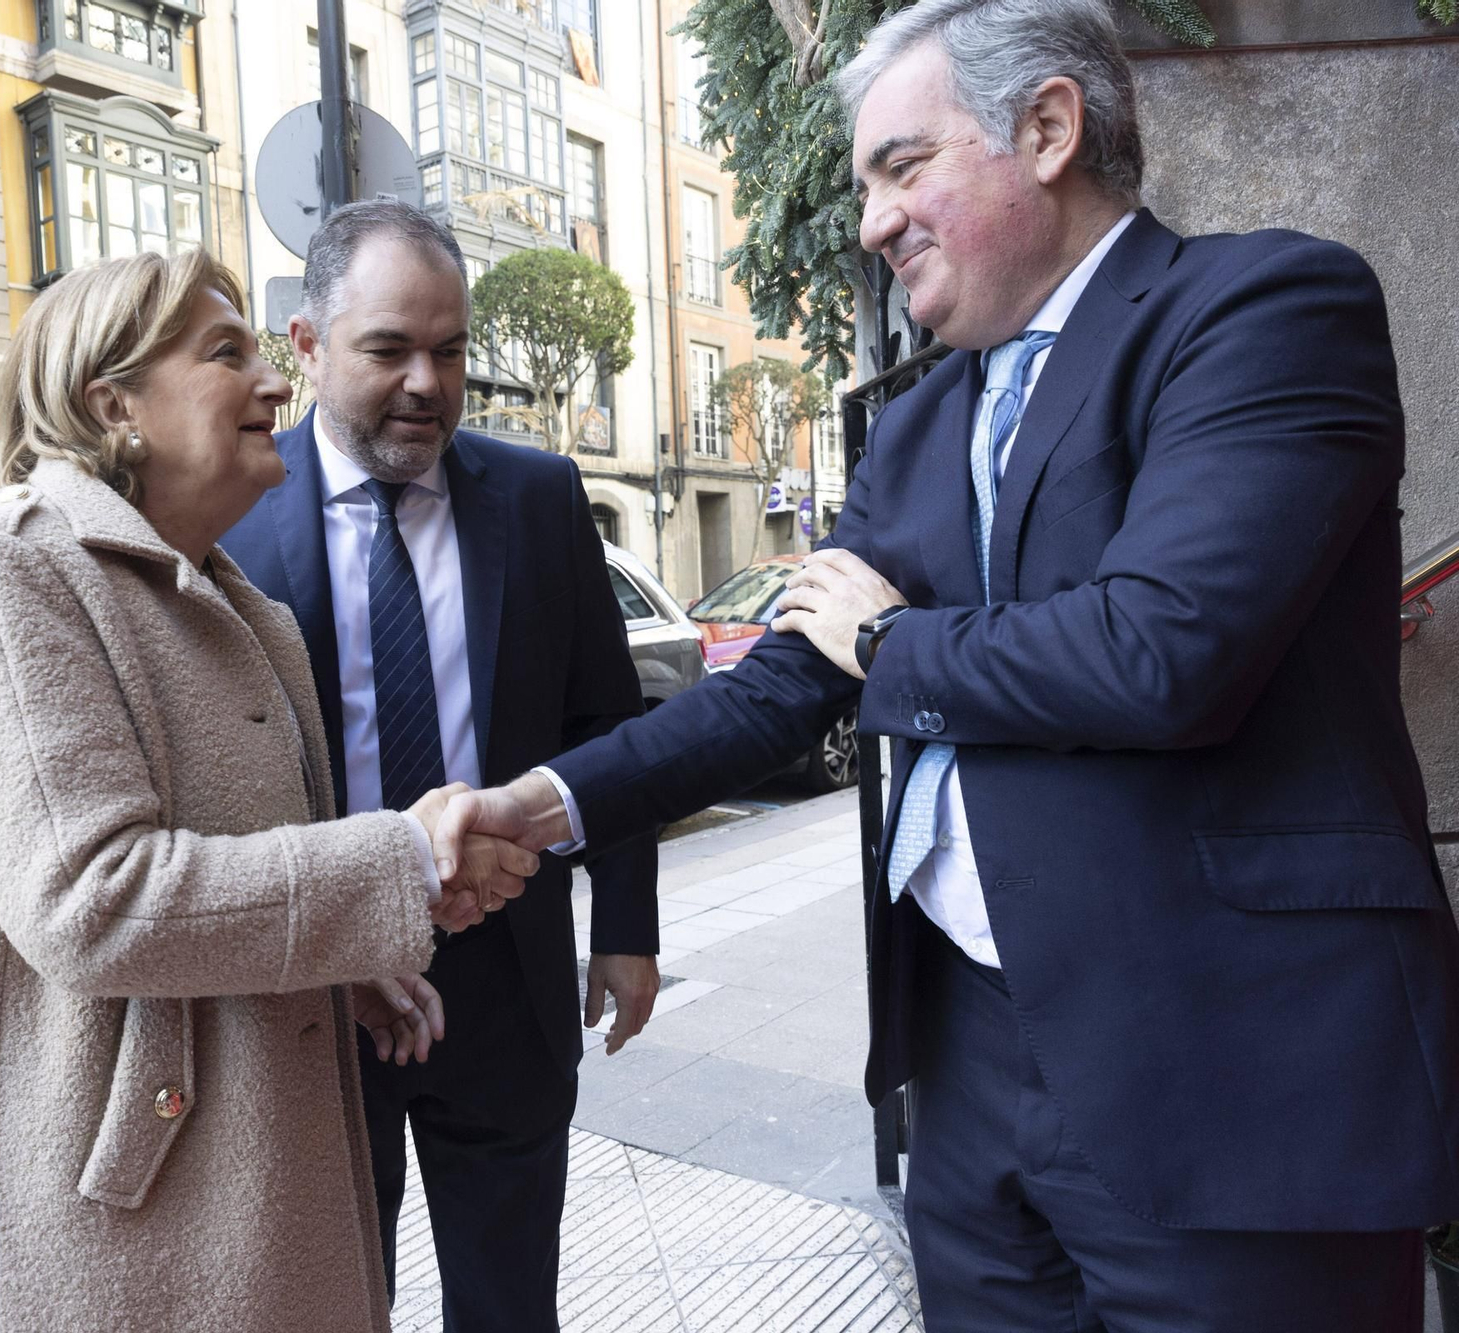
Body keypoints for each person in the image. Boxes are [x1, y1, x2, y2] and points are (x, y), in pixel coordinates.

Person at [432, 1, 1459, 1328]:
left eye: (900, 167)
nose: (870, 222)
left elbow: (1162, 653)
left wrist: (883, 639)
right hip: (968, 1080)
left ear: (1046, 129)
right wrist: (546, 805)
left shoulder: (1262, 310)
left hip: (1232, 1076)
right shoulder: (921, 423)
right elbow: (779, 689)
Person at [0, 249, 540, 1332]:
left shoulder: (244, 608)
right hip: (92, 1230)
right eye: (226, 353)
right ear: (111, 403)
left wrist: (351, 960)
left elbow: (234, 878)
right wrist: (397, 860)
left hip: (224, 1191)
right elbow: (92, 899)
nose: (276, 383)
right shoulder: (16, 567)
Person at [221, 201, 661, 1332]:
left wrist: (624, 927)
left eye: (451, 350)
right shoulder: (227, 515)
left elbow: (607, 723)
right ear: (307, 345)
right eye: (387, 349)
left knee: (510, 1307)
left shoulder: (538, 499)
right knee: (323, 1301)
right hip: (315, 992)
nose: (426, 381)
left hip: (504, 982)